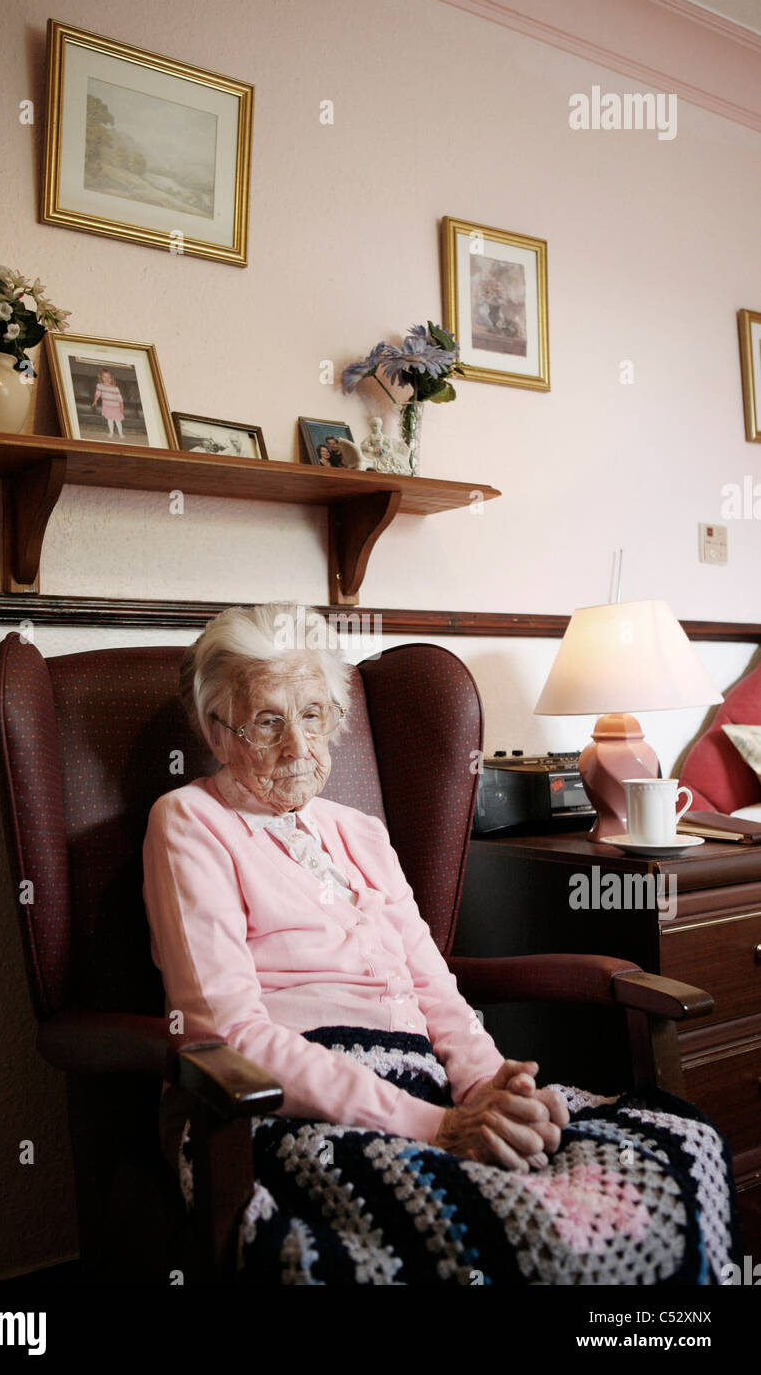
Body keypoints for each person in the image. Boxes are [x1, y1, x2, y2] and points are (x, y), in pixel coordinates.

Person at [142, 602, 739, 1284]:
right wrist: (435, 1127)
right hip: (279, 1107)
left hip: (430, 1089)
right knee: (523, 1227)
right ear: (217, 732)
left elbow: (433, 988)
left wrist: (490, 1090)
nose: (299, 748)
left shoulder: (359, 831)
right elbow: (229, 1034)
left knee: (685, 1146)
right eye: (268, 721)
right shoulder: (190, 821)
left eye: (312, 715)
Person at [92, 369, 125, 437]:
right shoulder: (100, 386)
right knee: (110, 420)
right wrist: (95, 401)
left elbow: (120, 399)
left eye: (109, 377)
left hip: (116, 407)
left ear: (111, 378)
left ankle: (121, 434)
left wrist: (122, 407)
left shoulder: (115, 388)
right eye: (105, 377)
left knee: (117, 421)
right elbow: (97, 393)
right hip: (107, 406)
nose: (107, 379)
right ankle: (111, 432)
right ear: (101, 377)